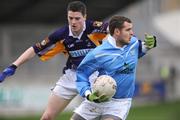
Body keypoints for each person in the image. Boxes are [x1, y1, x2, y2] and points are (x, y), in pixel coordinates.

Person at [0, 1, 108, 120]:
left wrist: (126, 37)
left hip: (95, 76)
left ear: (85, 17)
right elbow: (35, 49)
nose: (73, 22)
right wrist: (14, 66)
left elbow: (114, 28)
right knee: (47, 117)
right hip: (72, 76)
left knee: (94, 116)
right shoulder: (61, 34)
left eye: (77, 18)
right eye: (70, 18)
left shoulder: (94, 27)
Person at [71, 15, 156, 120]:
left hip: (119, 103)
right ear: (117, 32)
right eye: (128, 30)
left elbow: (137, 52)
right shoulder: (98, 53)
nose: (132, 33)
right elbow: (82, 73)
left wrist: (148, 45)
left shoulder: (133, 43)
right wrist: (88, 94)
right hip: (97, 100)